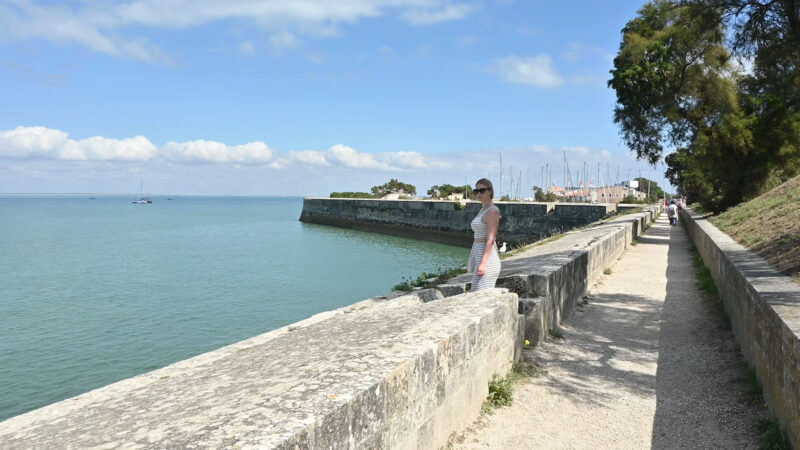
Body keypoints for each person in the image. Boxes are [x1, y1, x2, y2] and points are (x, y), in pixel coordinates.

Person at [468, 178, 502, 291]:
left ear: (490, 191)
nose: (478, 194)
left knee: (481, 297)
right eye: (476, 191)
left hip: (488, 262)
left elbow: (491, 239)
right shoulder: (483, 209)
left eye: (482, 190)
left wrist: (483, 264)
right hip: (480, 260)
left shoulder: (492, 211)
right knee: (474, 294)